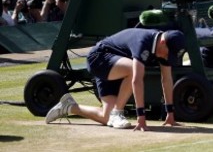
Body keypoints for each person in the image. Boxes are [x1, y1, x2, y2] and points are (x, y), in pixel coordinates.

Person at [46, 28, 186, 130]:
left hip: (117, 68)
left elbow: (166, 79)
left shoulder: (163, 50)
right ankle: (118, 112)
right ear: (162, 42)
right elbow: (136, 80)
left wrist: (170, 113)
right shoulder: (144, 42)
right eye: (169, 54)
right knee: (133, 69)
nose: (168, 58)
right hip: (99, 59)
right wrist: (141, 117)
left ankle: (69, 107)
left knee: (107, 118)